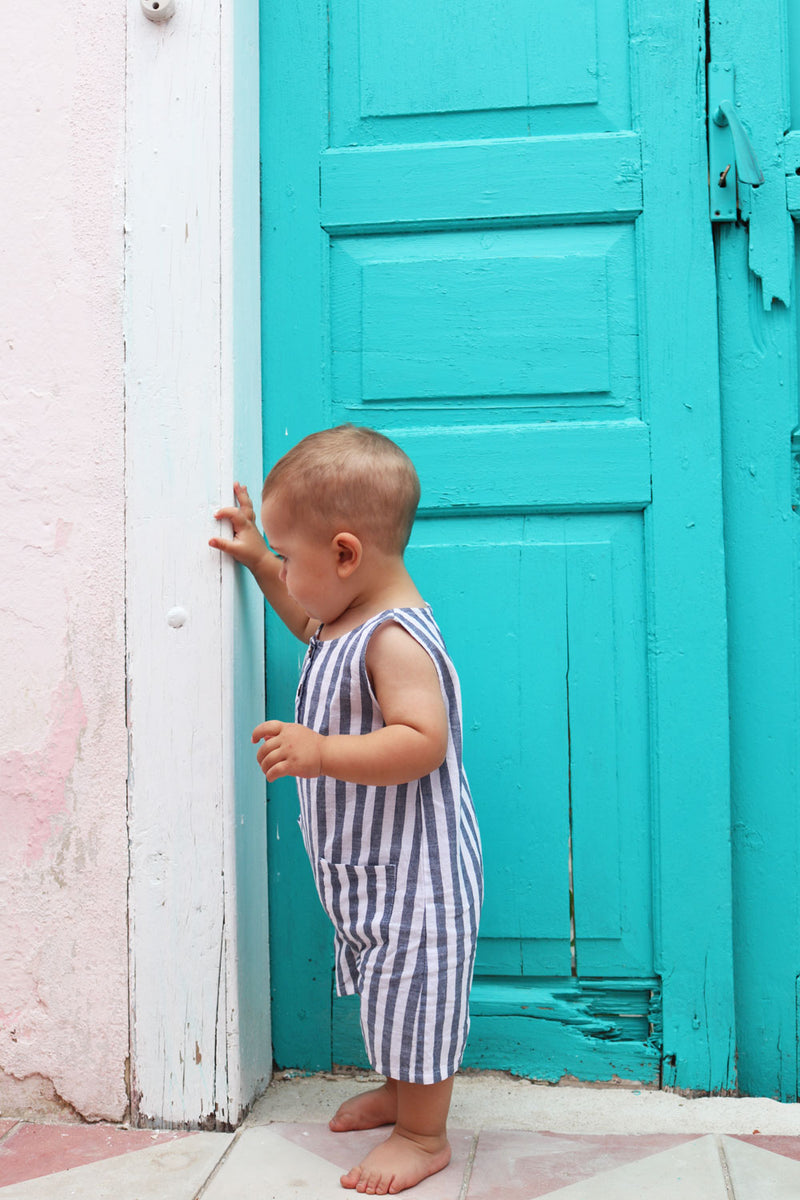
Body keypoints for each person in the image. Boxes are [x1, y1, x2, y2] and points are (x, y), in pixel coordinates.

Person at [210, 424, 482, 1195]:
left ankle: (423, 1133)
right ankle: (400, 1091)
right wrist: (260, 563)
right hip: (373, 870)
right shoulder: (342, 618)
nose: (287, 573)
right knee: (390, 997)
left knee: (416, 995)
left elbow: (423, 741)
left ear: (345, 554)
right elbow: (307, 622)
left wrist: (322, 750)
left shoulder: (393, 639)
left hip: (420, 879)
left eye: (290, 557)